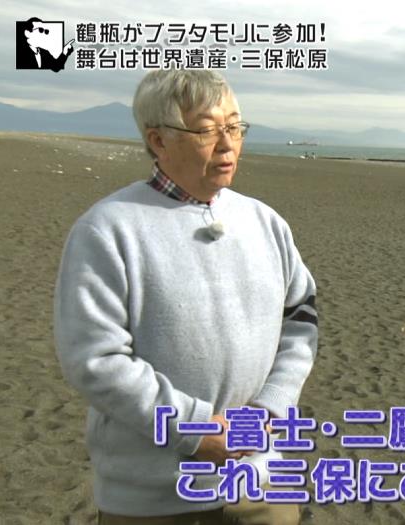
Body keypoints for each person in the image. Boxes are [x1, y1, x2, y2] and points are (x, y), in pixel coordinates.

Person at [54, 70, 316, 524]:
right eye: (208, 131)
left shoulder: (265, 222)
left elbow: (301, 318)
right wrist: (193, 429)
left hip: (261, 481)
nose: (228, 145)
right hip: (155, 497)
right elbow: (93, 358)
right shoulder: (108, 229)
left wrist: (272, 407)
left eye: (235, 127)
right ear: (157, 140)